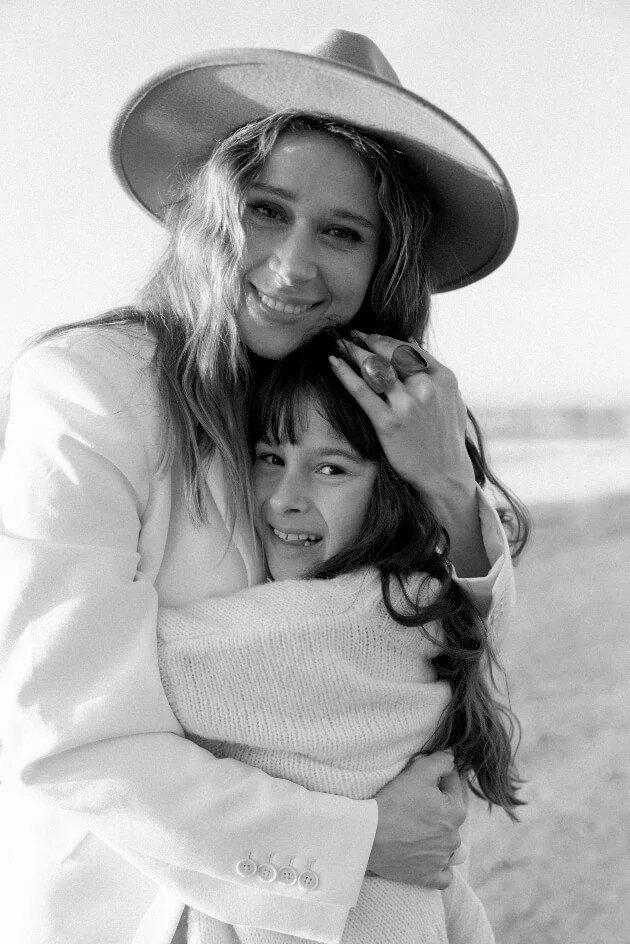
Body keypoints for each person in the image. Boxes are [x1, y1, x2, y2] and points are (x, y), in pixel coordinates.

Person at [0, 29, 527, 944]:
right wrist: (356, 837)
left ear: (382, 262)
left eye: (342, 232)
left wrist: (445, 482)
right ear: (209, 210)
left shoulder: (357, 407)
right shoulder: (91, 389)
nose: (292, 266)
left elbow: (424, 644)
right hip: (134, 907)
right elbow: (64, 727)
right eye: (266, 210)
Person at [157, 331, 524, 944]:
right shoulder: (422, 602)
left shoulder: (306, 628)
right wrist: (452, 483)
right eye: (270, 456)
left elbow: (109, 672)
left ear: (391, 488)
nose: (284, 499)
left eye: (331, 468)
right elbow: (490, 607)